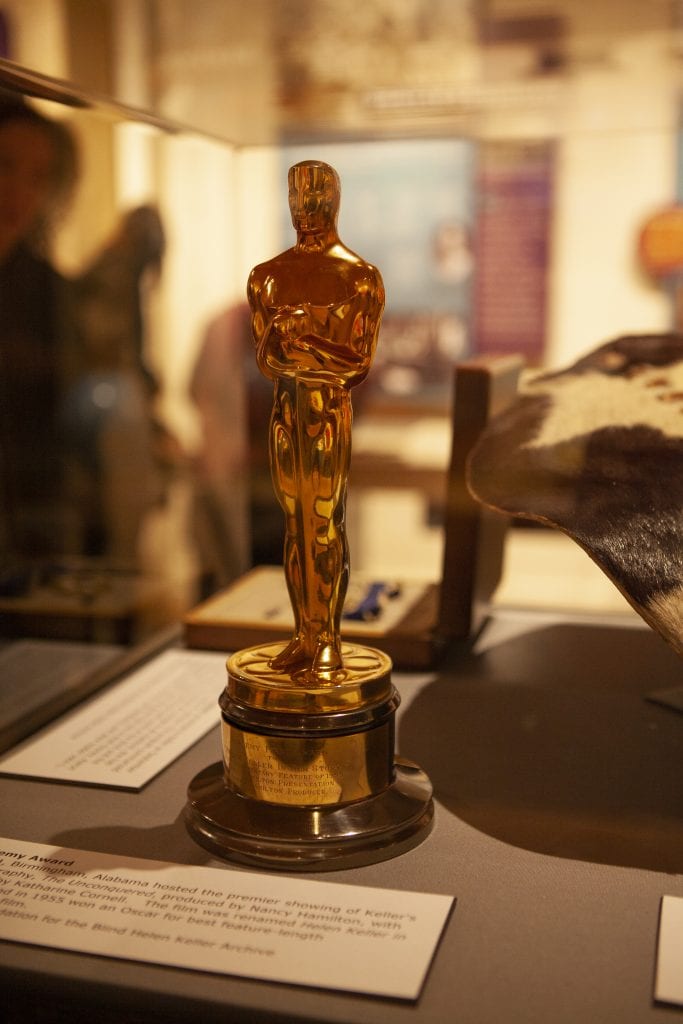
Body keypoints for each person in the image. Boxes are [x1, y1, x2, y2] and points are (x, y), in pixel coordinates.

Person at [247, 159, 385, 678]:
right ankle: (303, 636)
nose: (307, 208)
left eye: (318, 197)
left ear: (335, 201)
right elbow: (266, 361)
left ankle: (326, 638)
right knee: (293, 525)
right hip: (287, 413)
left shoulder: (359, 279)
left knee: (324, 523)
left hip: (327, 415)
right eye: (299, 197)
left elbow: (356, 365)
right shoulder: (266, 278)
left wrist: (302, 343)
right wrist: (300, 352)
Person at [0, 100, 78, 559]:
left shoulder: (49, 288)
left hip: (34, 511)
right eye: (5, 166)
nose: (19, 191)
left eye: (37, 177)